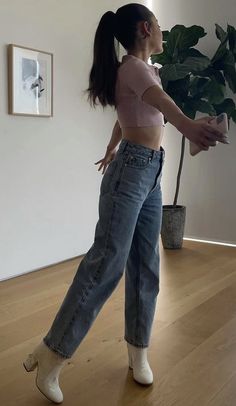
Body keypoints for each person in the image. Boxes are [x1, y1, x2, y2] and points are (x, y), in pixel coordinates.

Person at [23, 3, 228, 404]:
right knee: (106, 263)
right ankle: (53, 355)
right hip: (133, 172)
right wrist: (187, 127)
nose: (163, 35)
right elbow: (163, 106)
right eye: (160, 28)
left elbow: (131, 111)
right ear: (145, 28)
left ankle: (138, 352)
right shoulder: (133, 66)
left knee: (145, 264)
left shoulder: (142, 70)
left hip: (148, 171)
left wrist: (111, 146)